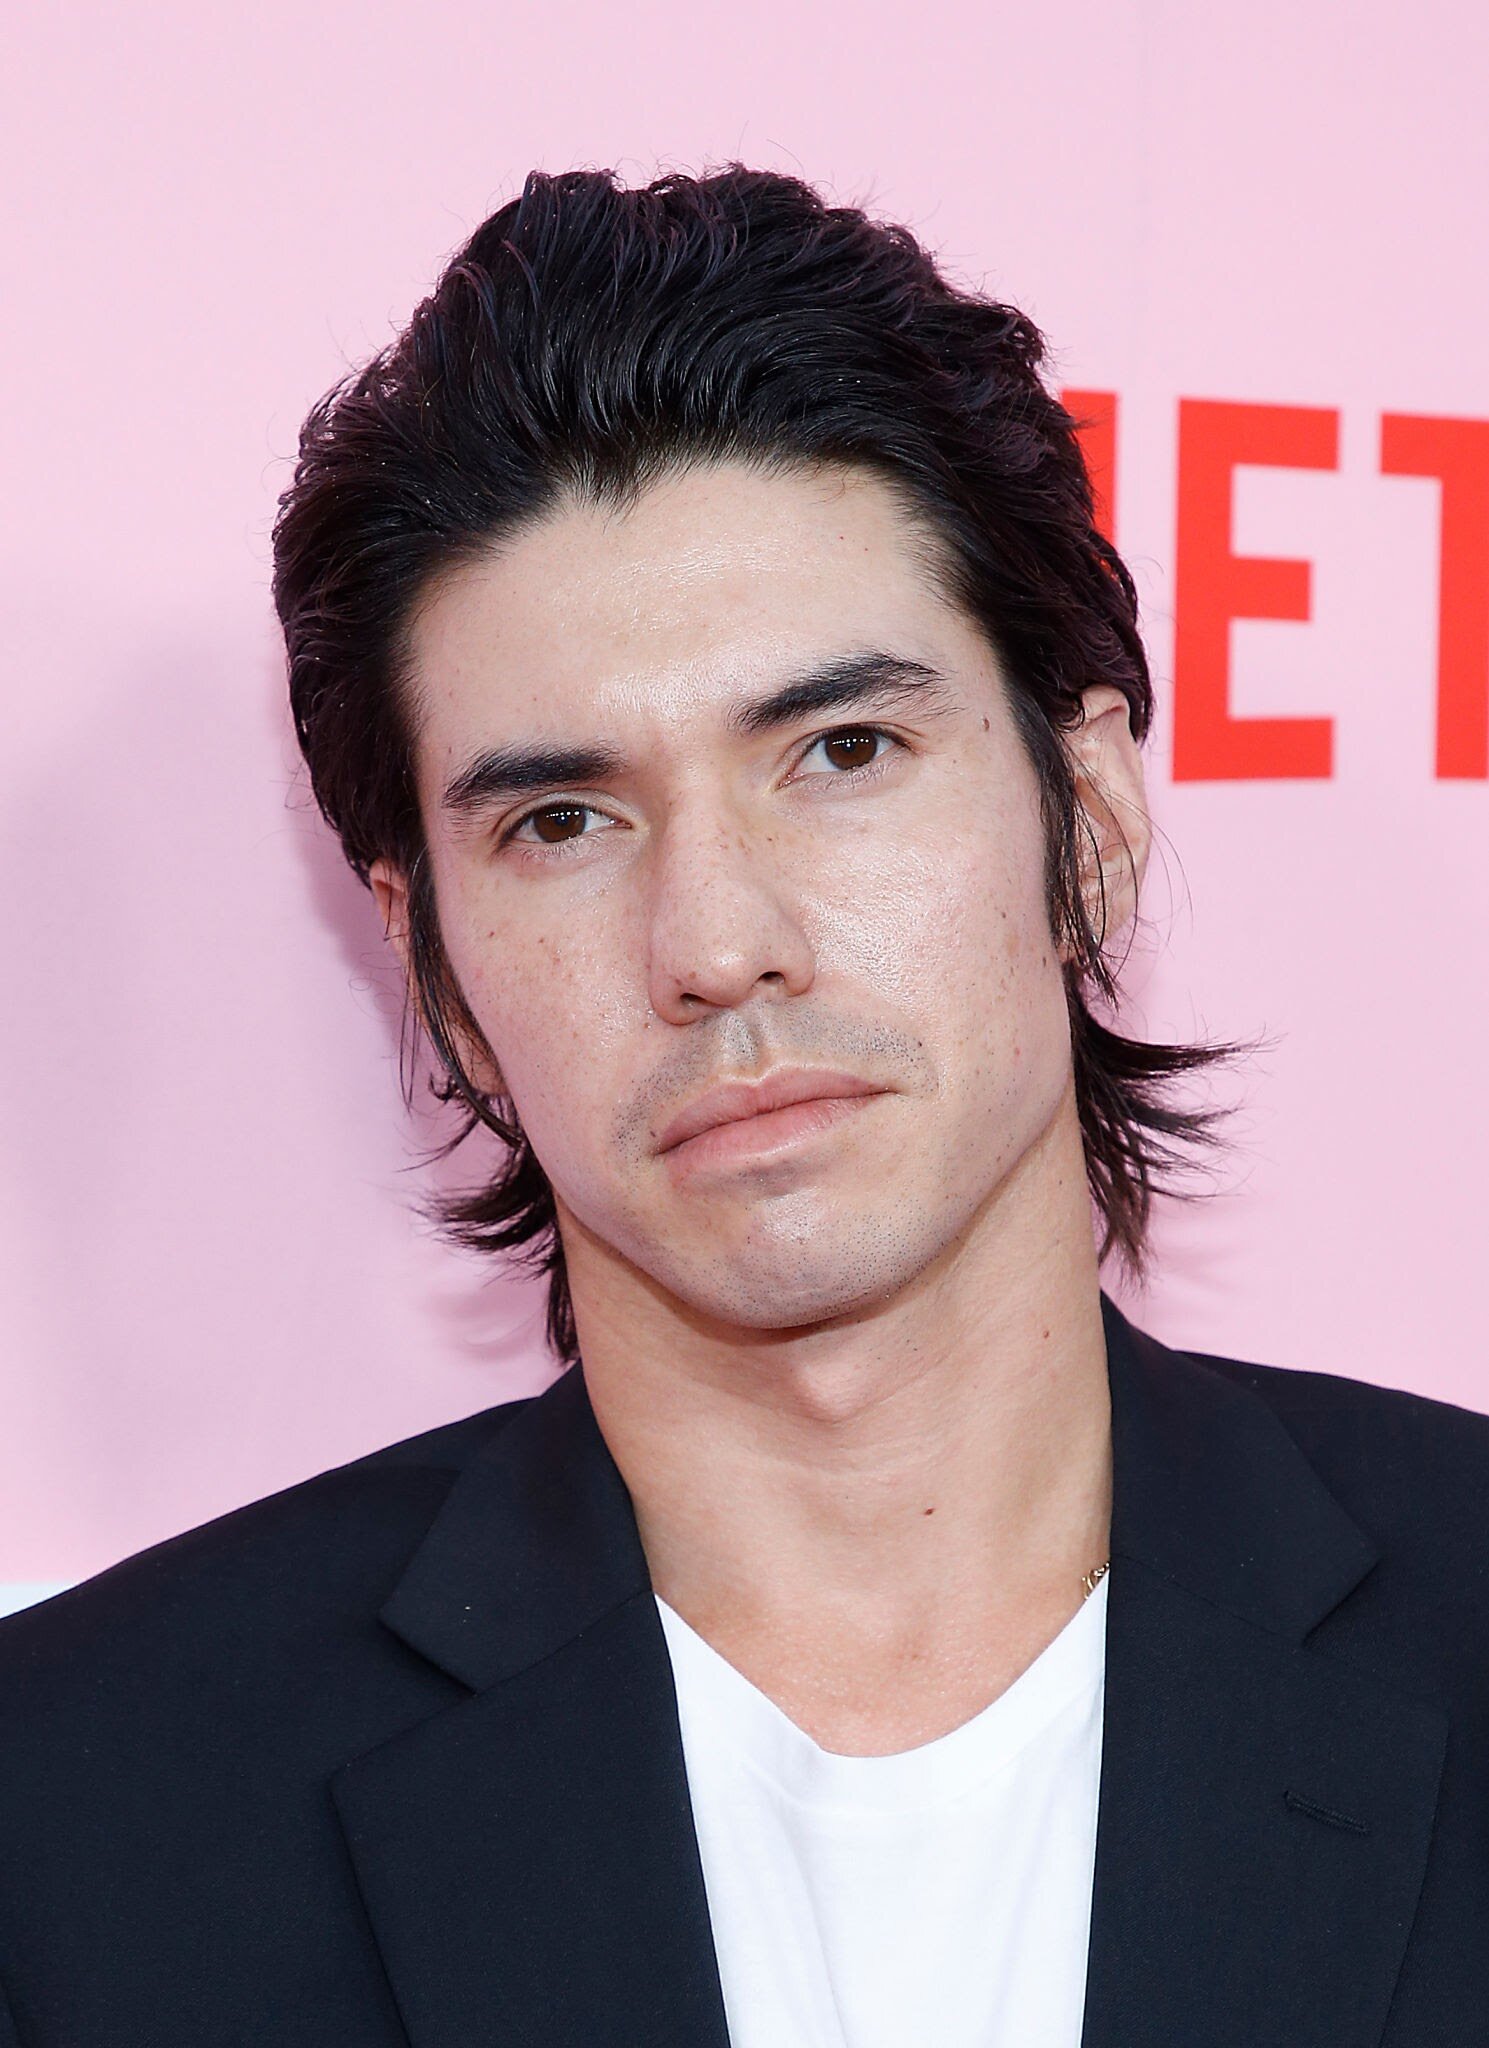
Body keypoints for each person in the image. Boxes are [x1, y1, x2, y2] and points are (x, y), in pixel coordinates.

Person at [0, 166, 1485, 2048]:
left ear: (1092, 822)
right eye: (562, 821)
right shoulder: (78, 1819)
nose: (714, 944)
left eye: (841, 750)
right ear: (433, 968)